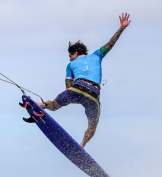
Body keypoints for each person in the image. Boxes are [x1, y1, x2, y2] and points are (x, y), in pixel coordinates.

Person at [36, 13, 131, 148]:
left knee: (54, 105)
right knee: (92, 126)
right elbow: (110, 43)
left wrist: (66, 99)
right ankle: (82, 144)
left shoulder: (70, 65)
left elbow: (69, 87)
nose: (69, 59)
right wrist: (122, 28)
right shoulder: (97, 55)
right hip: (93, 94)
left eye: (70, 55)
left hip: (77, 88)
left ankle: (41, 105)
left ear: (76, 53)